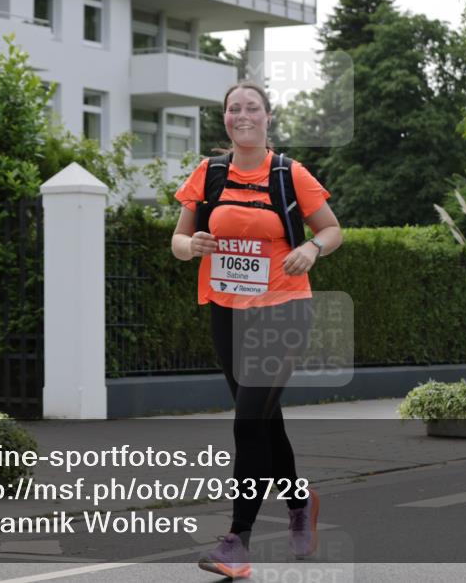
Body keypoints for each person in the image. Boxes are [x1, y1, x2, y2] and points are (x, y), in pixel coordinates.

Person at [172, 81, 342, 578]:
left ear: (268, 117)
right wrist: (192, 246)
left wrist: (311, 248)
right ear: (225, 118)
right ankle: (298, 502)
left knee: (248, 421)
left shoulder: (290, 173)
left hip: (282, 310)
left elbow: (331, 228)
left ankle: (236, 542)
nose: (242, 115)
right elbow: (178, 240)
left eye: (252, 107)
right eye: (233, 108)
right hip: (227, 311)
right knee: (264, 421)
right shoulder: (209, 173)